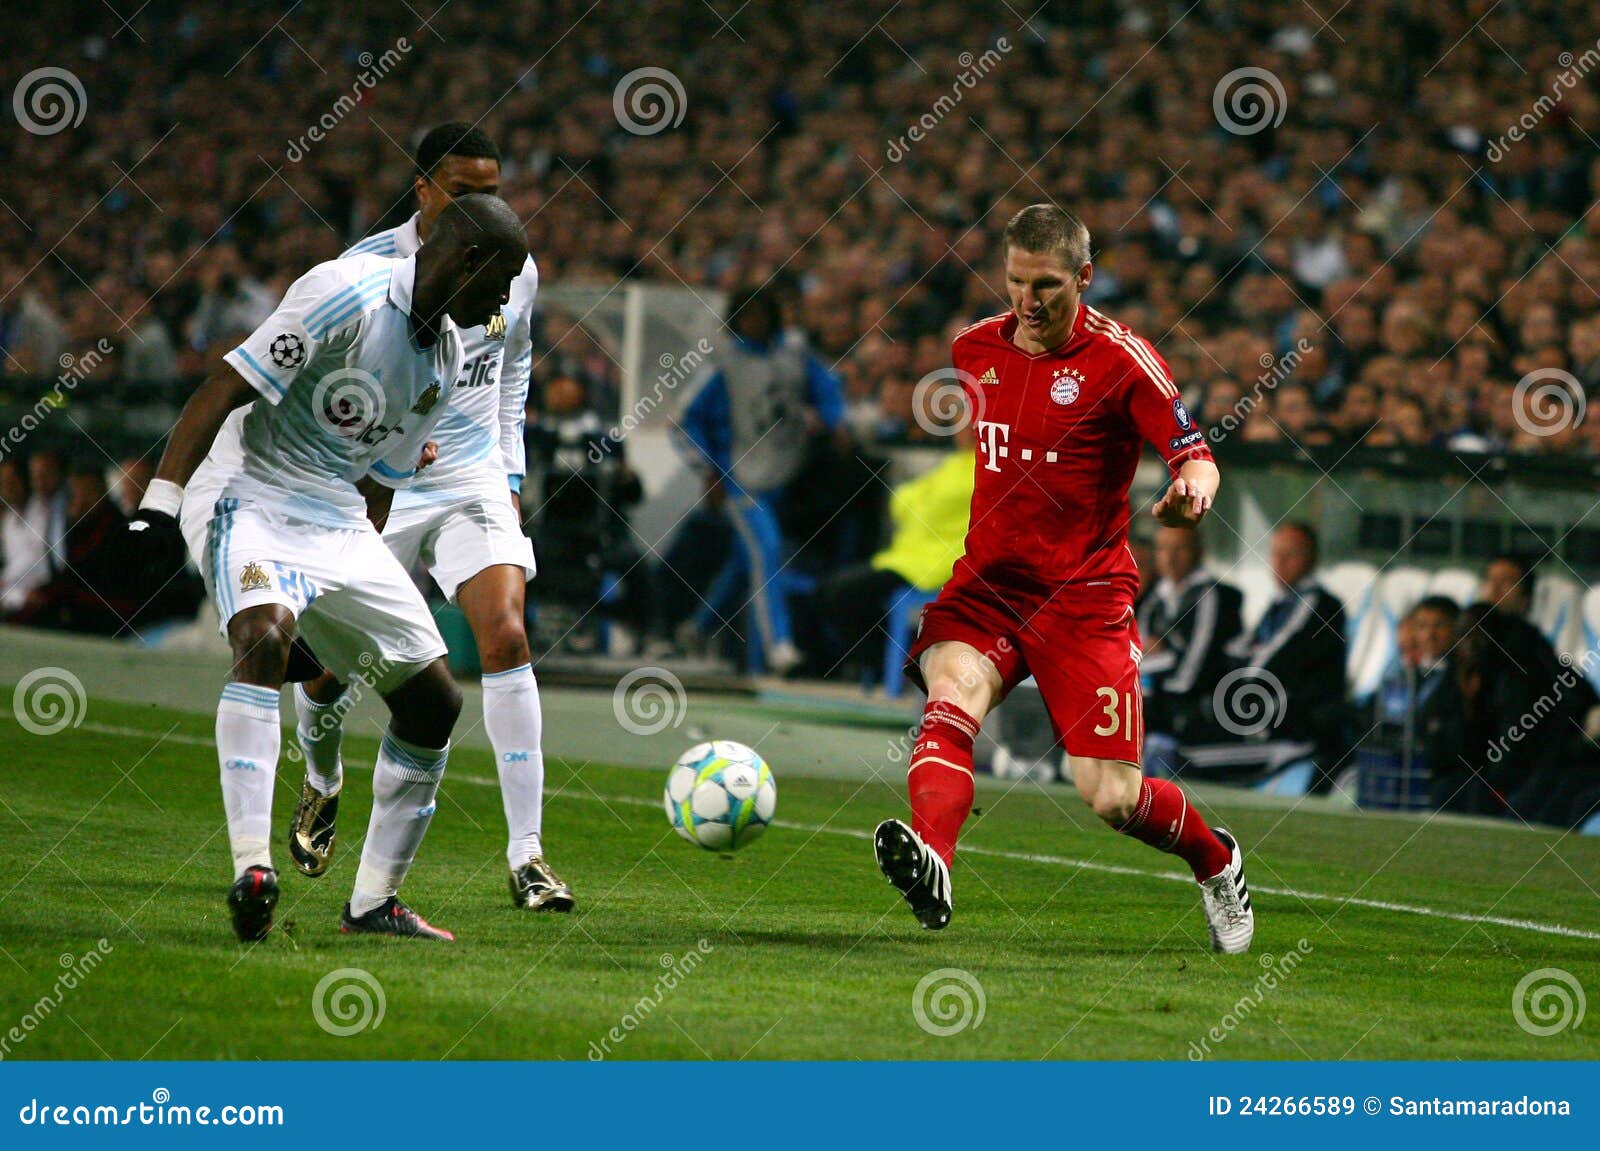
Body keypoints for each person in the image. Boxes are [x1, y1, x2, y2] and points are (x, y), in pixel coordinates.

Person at [132, 192, 528, 943]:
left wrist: (342, 603)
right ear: (469, 260)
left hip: (336, 516)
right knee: (265, 634)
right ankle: (254, 866)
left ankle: (373, 904)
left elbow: (379, 484)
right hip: (247, 485)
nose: (506, 299)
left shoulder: (444, 358)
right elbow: (224, 384)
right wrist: (159, 502)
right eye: (503, 279)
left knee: (434, 703)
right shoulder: (341, 292)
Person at [872, 204, 1255, 954]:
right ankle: (935, 861)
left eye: (1046, 283)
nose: (1027, 300)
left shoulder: (1122, 360)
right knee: (952, 692)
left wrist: (1192, 491)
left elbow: (1193, 450)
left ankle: (1217, 861)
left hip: (1084, 598)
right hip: (990, 585)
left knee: (1110, 796)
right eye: (1015, 281)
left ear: (1084, 276)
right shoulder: (974, 348)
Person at [290, 124, 571, 913]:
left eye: (492, 190)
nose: (482, 205)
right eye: (463, 190)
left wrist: (508, 475)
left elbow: (512, 374)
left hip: (471, 475)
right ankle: (320, 776)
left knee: (508, 634)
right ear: (423, 190)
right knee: (326, 667)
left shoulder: (515, 269)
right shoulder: (364, 272)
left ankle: (529, 855)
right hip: (378, 478)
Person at [676, 286, 847, 674]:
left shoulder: (795, 355)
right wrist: (708, 469)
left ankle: (698, 626)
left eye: (762, 313)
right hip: (740, 479)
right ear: (735, 319)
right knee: (767, 549)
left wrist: (832, 421)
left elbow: (829, 393)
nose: (755, 322)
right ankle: (778, 646)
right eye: (747, 315)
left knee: (747, 559)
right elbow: (685, 424)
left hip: (785, 478)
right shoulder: (721, 364)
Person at [814, 423, 975, 681]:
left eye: (970, 426)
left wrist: (918, 504)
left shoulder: (984, 471)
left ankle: (890, 666)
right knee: (826, 590)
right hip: (906, 560)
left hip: (937, 566)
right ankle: (886, 663)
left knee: (841, 594)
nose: (962, 432)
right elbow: (902, 502)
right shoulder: (953, 464)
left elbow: (917, 504)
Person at [1138, 526, 1244, 756]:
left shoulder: (1212, 595)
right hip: (1160, 701)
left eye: (1180, 549)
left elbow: (1193, 671)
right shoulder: (1154, 600)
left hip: (1201, 712)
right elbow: (1138, 656)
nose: (1170, 557)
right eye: (1163, 549)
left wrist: (1163, 657)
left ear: (1199, 552)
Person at [0, 458, 49, 613]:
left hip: (41, 591)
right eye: (3, 483)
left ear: (25, 481)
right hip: (14, 593)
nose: (7, 488)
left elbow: (38, 563)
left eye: (12, 482)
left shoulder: (43, 512)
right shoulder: (9, 520)